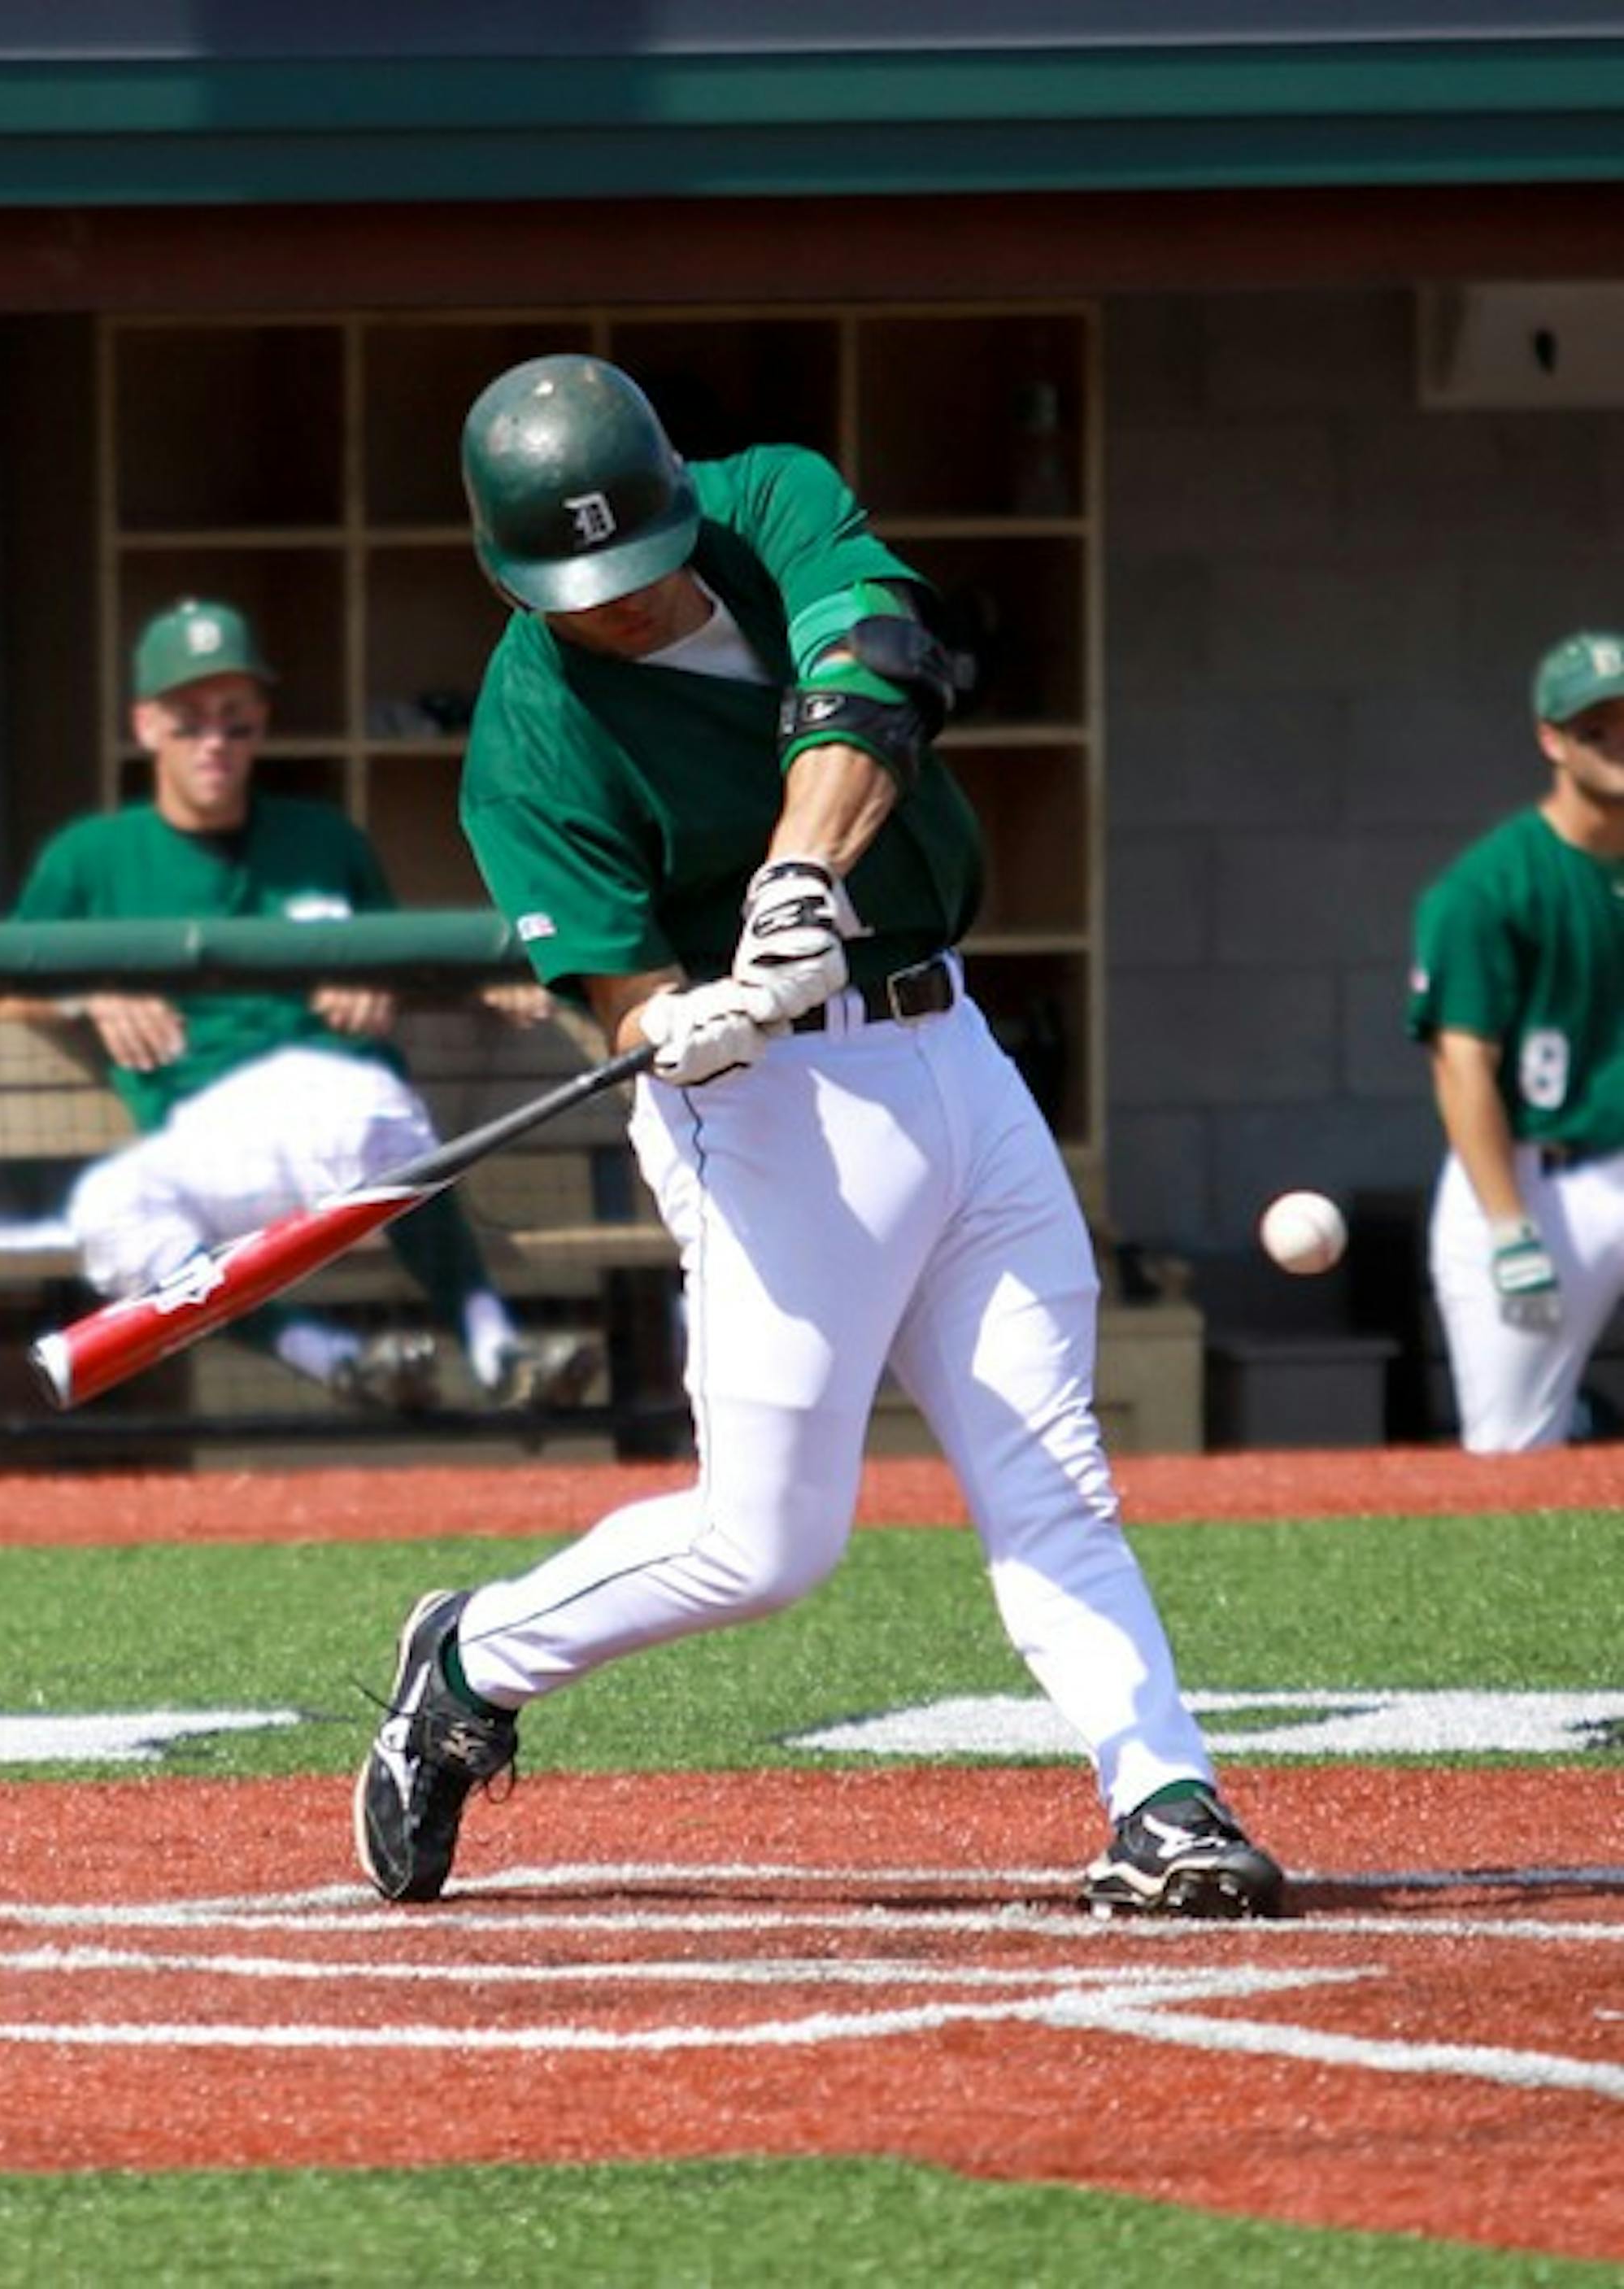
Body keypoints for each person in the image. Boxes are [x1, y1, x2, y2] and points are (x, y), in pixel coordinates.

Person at [355, 353, 1284, 1918]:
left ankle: (1163, 1796)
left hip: (951, 1042)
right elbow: (618, 983)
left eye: (641, 562)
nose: (626, 604)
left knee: (1050, 1471)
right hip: (761, 1110)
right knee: (765, 1541)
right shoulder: (532, 729)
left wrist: (794, 882)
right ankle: (469, 1659)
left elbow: (879, 661)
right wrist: (680, 1023)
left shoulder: (770, 496)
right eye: (585, 588)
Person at [3, 596, 599, 1418]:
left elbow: (411, 961)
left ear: (259, 724)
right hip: (206, 1137)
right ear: (146, 726)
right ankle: (339, 1361)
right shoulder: (92, 858)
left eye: (234, 721)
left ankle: (496, 1348)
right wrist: (86, 993)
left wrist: (430, 979)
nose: (214, 741)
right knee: (110, 1211)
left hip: (336, 1108)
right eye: (189, 721)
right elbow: (8, 981)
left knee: (368, 1119)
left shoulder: (323, 839)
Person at [1408, 629, 1624, 1453]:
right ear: (1550, 740)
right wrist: (1507, 1225)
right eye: (1591, 729)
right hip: (1532, 1183)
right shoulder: (1488, 886)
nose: (1613, 743)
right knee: (1509, 1457)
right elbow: (1461, 1063)